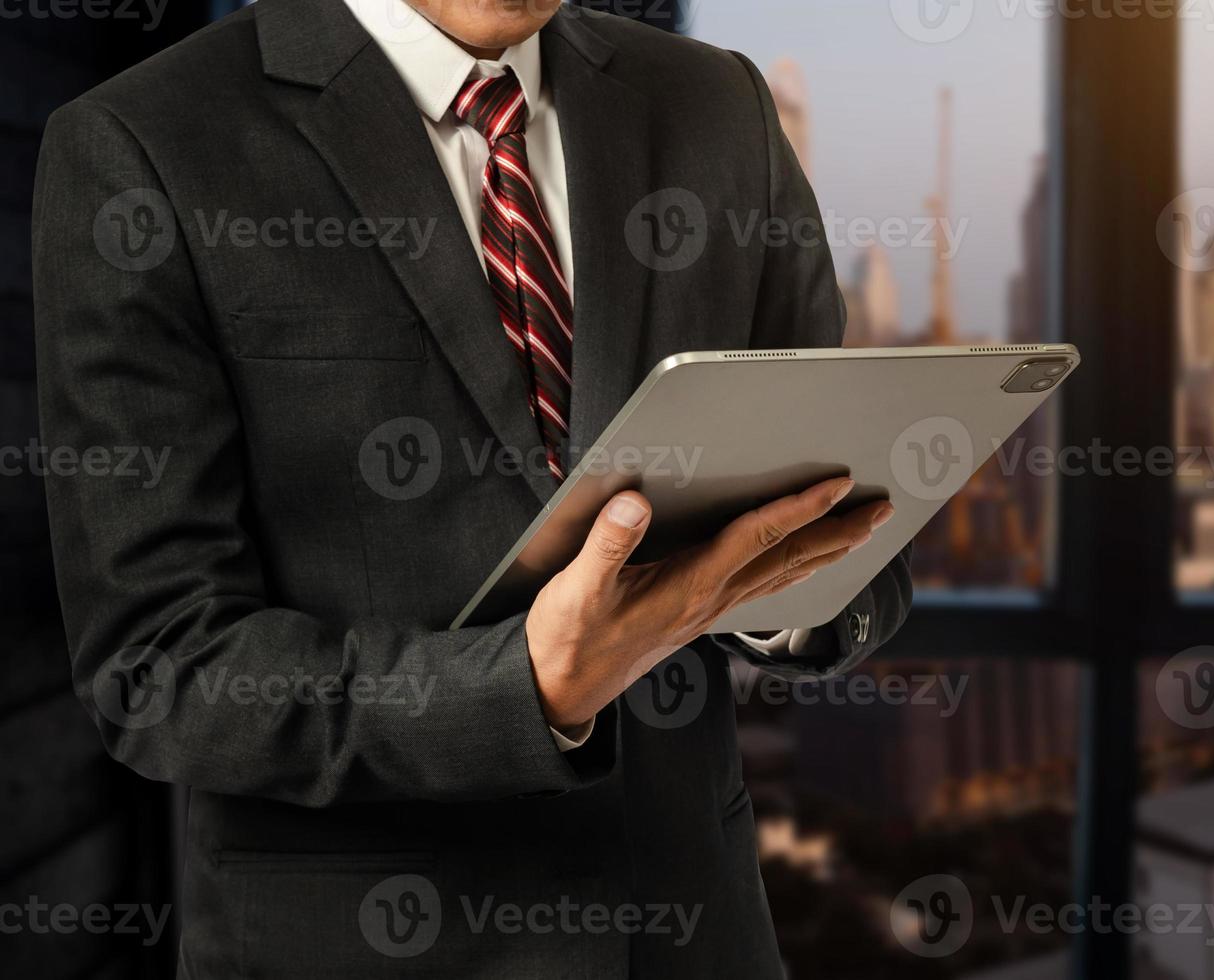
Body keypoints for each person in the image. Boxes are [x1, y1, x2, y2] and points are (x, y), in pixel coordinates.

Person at [31, 0, 911, 973]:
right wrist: (525, 691)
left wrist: (768, 582)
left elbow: (857, 529)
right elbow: (157, 664)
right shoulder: (144, 142)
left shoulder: (716, 104)